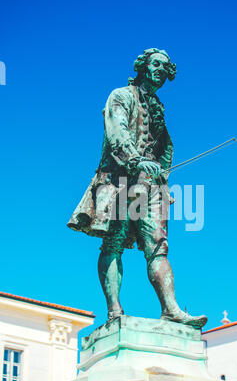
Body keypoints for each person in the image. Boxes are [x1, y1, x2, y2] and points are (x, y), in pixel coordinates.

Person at [68, 48, 207, 328]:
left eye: (166, 68)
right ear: (143, 66)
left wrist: (162, 177)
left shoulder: (158, 108)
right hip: (119, 178)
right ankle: (115, 311)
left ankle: (171, 309)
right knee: (113, 242)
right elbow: (117, 132)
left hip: (151, 187)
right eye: (156, 64)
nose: (161, 70)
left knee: (158, 245)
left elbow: (165, 148)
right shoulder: (120, 95)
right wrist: (136, 159)